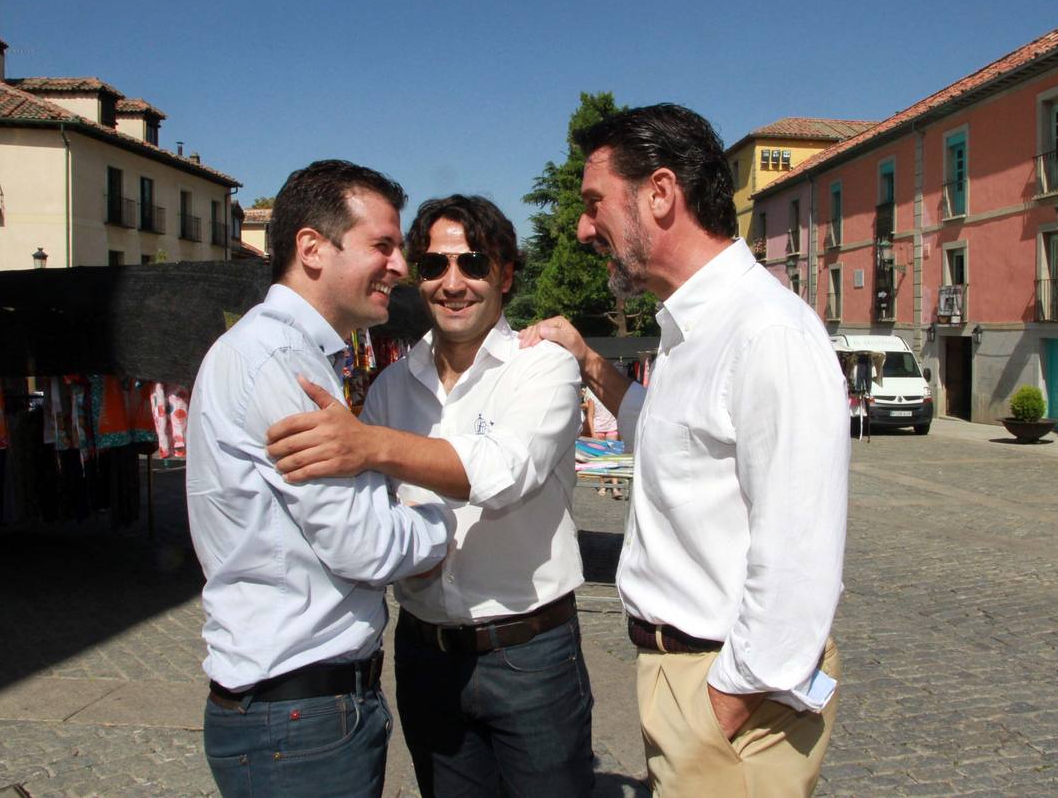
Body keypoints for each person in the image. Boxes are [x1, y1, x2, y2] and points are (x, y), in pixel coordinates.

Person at [521, 103, 850, 797]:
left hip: (727, 694)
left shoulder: (766, 332)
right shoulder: (691, 328)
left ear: (661, 194)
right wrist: (585, 360)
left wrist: (717, 710)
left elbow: (799, 555)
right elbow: (665, 435)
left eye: (594, 204)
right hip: (688, 682)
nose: (584, 229)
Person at [265, 195, 594, 797]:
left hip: (529, 653)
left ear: (506, 273)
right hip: (426, 653)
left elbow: (504, 474)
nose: (453, 283)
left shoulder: (542, 368)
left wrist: (370, 444)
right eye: (435, 266)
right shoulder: (393, 385)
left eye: (473, 263)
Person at [186, 160, 454, 797]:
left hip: (297, 713)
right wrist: (444, 519)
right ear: (311, 248)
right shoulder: (282, 363)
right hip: (298, 720)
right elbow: (363, 544)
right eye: (382, 247)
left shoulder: (281, 353)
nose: (400, 268)